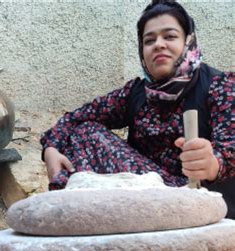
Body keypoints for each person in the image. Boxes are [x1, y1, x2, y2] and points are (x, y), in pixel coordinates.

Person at [40, 0, 234, 218]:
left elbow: (231, 146)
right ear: (142, 51)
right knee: (85, 132)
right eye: (149, 40)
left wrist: (213, 162)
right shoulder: (136, 93)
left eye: (170, 36)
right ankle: (85, 217)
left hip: (202, 205)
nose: (159, 45)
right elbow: (74, 119)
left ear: (189, 42)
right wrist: (51, 149)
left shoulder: (220, 86)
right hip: (146, 198)